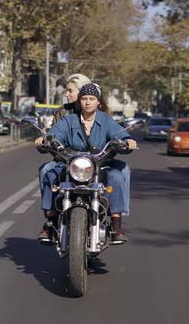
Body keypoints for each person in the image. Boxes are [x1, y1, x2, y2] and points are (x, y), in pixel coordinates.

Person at [35, 83, 137, 244]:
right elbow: (54, 134)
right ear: (79, 101)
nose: (87, 102)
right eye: (84, 98)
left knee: (116, 177)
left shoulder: (106, 120)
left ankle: (116, 224)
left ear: (98, 102)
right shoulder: (69, 121)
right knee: (50, 173)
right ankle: (50, 222)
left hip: (100, 164)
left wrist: (127, 141)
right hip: (72, 164)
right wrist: (44, 140)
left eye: (91, 98)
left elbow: (120, 134)